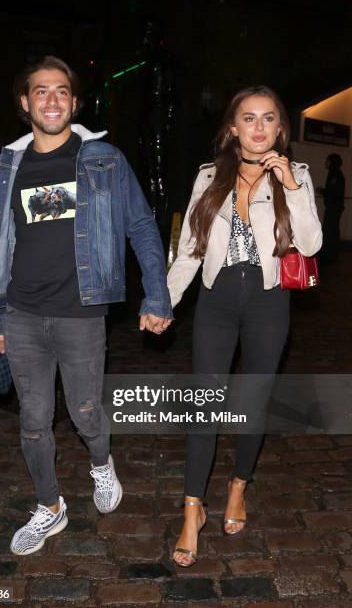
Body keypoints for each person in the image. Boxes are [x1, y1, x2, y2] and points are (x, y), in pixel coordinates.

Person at [0, 55, 172, 556]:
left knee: (86, 414)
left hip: (81, 313)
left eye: (61, 91)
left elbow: (141, 226)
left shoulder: (103, 157)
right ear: (25, 103)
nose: (51, 99)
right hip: (21, 314)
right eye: (40, 91)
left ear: (74, 101)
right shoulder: (10, 164)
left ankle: (100, 462)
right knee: (33, 420)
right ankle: (50, 507)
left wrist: (156, 293)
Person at [167, 86, 322, 567]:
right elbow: (190, 245)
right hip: (215, 302)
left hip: (268, 302)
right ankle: (193, 510)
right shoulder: (210, 177)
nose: (258, 128)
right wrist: (165, 300)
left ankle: (238, 487)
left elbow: (312, 244)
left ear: (280, 128)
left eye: (268, 118)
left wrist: (291, 189)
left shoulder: (296, 176)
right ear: (233, 128)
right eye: (248, 118)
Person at [318, 153, 345, 263]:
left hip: (334, 207)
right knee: (330, 230)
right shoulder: (335, 174)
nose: (326, 163)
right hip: (334, 207)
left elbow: (333, 192)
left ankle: (329, 254)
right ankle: (330, 253)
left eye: (328, 161)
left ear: (332, 162)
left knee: (330, 231)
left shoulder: (335, 175)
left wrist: (322, 191)